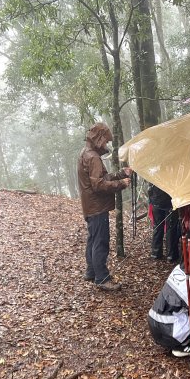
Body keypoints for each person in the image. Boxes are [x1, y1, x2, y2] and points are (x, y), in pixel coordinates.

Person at [77, 123, 132, 291]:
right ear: (99, 138)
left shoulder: (85, 153)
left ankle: (92, 271)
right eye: (106, 141)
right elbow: (99, 185)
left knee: (93, 239)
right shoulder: (92, 157)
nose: (106, 145)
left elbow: (102, 177)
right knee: (100, 242)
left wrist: (121, 173)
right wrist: (121, 183)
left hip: (91, 206)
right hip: (96, 207)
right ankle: (102, 278)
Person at [148, 242, 190, 357]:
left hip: (154, 321)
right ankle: (182, 346)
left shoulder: (179, 269)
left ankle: (179, 339)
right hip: (169, 332)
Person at [148, 184, 180, 262]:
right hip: (169, 201)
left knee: (158, 227)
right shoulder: (173, 172)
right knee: (170, 228)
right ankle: (171, 255)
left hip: (157, 199)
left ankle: (156, 253)